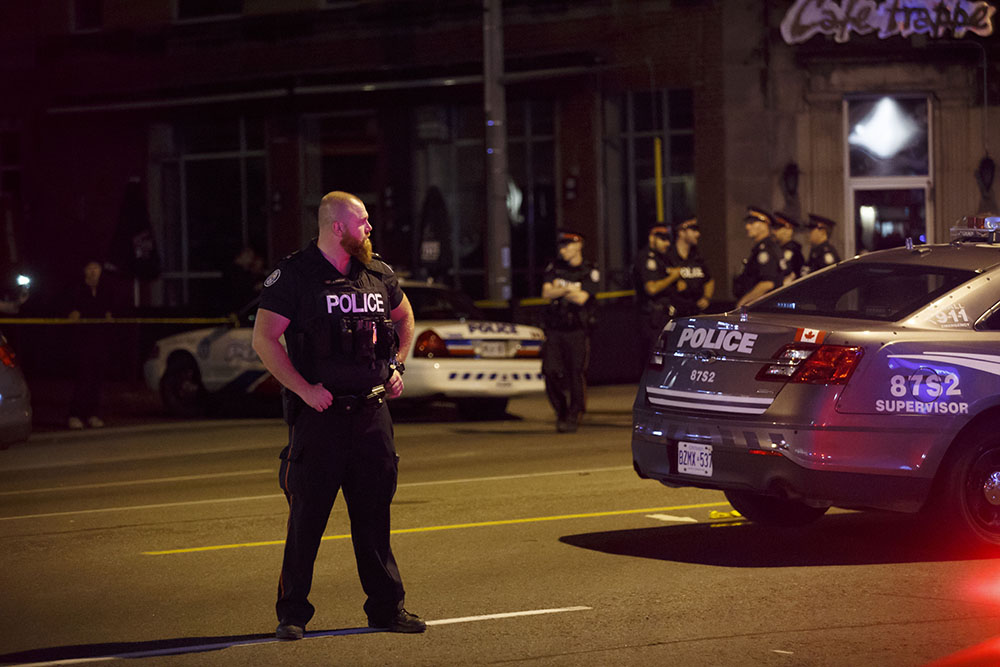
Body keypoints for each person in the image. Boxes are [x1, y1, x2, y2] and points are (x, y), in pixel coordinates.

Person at [251, 190, 424, 640]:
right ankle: (292, 614)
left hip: (371, 415)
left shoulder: (377, 273)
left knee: (374, 520)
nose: (369, 228)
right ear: (338, 227)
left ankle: (387, 608)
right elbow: (264, 339)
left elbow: (406, 319)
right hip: (320, 418)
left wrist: (397, 366)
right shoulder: (295, 274)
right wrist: (305, 390)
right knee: (307, 519)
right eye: (362, 221)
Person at [541, 230, 599, 433]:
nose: (562, 250)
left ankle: (574, 413)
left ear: (578, 245)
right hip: (555, 329)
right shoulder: (554, 267)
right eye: (561, 246)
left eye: (566, 245)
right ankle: (561, 410)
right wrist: (570, 290)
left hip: (577, 330)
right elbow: (546, 292)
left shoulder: (589, 270)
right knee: (550, 371)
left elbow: (583, 298)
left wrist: (562, 289)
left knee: (576, 373)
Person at [67, 261, 114, 429]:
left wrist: (109, 316)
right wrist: (75, 314)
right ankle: (75, 415)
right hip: (82, 342)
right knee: (83, 379)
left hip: (100, 341)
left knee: (97, 379)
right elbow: (73, 312)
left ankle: (92, 414)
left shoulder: (104, 290)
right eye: (90, 268)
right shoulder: (78, 290)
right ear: (84, 270)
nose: (94, 271)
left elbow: (109, 311)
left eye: (97, 268)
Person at [631, 224, 679, 357]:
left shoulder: (664, 258)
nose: (667, 243)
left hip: (667, 314)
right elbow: (651, 288)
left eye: (668, 239)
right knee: (655, 357)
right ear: (652, 238)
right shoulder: (646, 258)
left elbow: (681, 285)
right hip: (652, 317)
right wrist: (672, 277)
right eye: (663, 239)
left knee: (667, 356)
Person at [733, 207, 787, 307]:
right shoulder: (766, 247)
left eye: (752, 223)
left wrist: (743, 303)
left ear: (764, 225)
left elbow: (767, 283)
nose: (747, 227)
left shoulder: (766, 250)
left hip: (763, 307)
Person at [667, 217, 715, 317]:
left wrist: (706, 297)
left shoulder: (696, 257)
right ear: (681, 232)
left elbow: (709, 280)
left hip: (695, 312)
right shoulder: (668, 257)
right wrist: (674, 281)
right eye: (693, 230)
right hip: (674, 314)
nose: (698, 234)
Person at [771, 211, 804, 282]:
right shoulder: (776, 248)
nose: (773, 232)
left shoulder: (793, 251)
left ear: (789, 230)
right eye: (774, 228)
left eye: (778, 228)